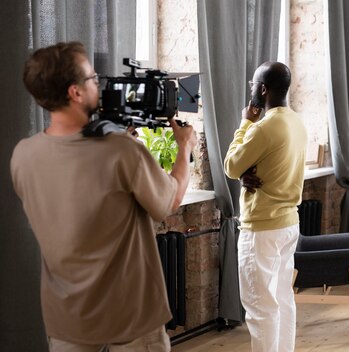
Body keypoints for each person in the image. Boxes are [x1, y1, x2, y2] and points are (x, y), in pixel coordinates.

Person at [11, 42, 197, 351]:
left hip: (67, 318)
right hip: (130, 317)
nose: (101, 84)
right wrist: (185, 147)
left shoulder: (23, 154)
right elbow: (170, 202)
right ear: (76, 92)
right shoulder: (123, 152)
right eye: (93, 78)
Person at [224, 61, 307, 352]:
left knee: (260, 309)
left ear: (262, 89)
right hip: (288, 224)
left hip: (261, 229)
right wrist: (250, 170)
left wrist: (245, 122)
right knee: (283, 300)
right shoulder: (296, 122)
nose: (251, 90)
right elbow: (271, 164)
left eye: (252, 85)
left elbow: (231, 166)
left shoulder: (264, 127)